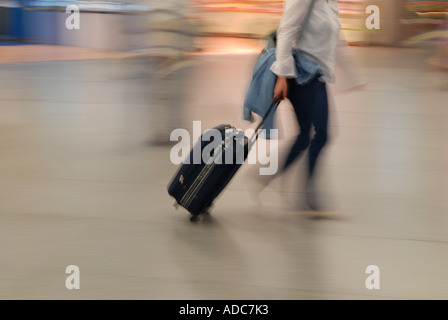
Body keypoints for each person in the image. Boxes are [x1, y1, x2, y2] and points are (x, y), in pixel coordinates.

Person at [256, 0, 345, 213]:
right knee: (319, 135)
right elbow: (286, 30)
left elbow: (336, 40)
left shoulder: (330, 3)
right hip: (301, 75)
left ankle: (270, 175)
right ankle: (308, 196)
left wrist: (354, 75)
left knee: (309, 136)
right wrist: (282, 76)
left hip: (318, 76)